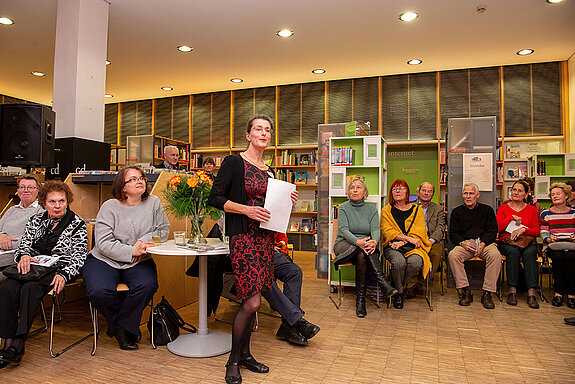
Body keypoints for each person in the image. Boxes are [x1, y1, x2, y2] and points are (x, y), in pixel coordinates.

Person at [208, 115, 298, 384]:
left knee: (254, 301)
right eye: (258, 129)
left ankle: (246, 354)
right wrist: (246, 208)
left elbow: (272, 210)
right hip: (243, 239)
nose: (264, 133)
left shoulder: (270, 171)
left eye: (268, 130)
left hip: (264, 241)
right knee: (253, 301)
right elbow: (216, 198)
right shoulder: (234, 162)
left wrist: (288, 200)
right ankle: (233, 360)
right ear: (248, 135)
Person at [0, 180, 87, 369]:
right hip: (33, 267)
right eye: (52, 202)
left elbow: (79, 258)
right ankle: (7, 342)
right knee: (7, 287)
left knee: (30, 288)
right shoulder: (35, 220)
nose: (57, 206)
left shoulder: (77, 223)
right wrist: (23, 255)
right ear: (44, 203)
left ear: (67, 201)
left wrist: (64, 274)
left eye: (61, 201)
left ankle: (18, 344)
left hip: (58, 269)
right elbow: (23, 247)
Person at [82, 166, 170, 351]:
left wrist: (142, 243)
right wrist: (132, 251)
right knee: (98, 291)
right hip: (103, 259)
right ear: (122, 187)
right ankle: (123, 328)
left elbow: (162, 230)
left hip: (139, 261)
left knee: (147, 285)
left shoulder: (153, 202)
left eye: (141, 178)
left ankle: (121, 327)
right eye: (133, 179)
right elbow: (103, 243)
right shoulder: (109, 206)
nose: (139, 181)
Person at [333, 178, 397, 317]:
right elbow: (344, 230)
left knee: (362, 256)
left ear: (365, 192)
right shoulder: (343, 207)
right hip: (344, 244)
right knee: (362, 251)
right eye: (352, 188)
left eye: (358, 187)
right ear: (348, 192)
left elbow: (375, 229)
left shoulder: (371, 209)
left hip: (365, 247)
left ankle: (360, 301)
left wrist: (374, 241)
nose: (355, 190)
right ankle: (383, 283)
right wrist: (358, 242)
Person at [448, 183, 502, 309]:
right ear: (462, 195)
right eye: (465, 193)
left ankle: (487, 293)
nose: (468, 196)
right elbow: (453, 233)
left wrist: (483, 243)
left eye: (471, 193)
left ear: (477, 195)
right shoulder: (457, 212)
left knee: (495, 255)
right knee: (453, 255)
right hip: (466, 244)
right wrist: (463, 243)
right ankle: (465, 290)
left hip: (484, 243)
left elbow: (492, 231)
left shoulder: (487, 210)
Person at [381, 179, 431, 309]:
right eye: (394, 188)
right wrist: (405, 239)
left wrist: (402, 243)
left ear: (407, 192)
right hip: (392, 247)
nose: (397, 191)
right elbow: (387, 231)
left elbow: (419, 234)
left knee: (416, 263)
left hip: (412, 248)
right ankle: (400, 293)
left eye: (401, 188)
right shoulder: (386, 210)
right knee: (399, 263)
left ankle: (398, 286)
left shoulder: (417, 209)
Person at [263, 232, 320, 345]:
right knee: (266, 278)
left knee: (294, 271)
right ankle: (295, 321)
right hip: (253, 254)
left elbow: (280, 233)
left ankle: (287, 326)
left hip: (272, 252)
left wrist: (281, 243)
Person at [496, 180, 540, 309]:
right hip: (507, 241)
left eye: (520, 191)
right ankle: (512, 291)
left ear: (526, 194)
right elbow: (497, 228)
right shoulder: (503, 208)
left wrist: (523, 229)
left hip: (526, 241)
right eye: (514, 190)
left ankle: (531, 293)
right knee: (513, 253)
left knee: (530, 253)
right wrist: (510, 218)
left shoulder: (531, 210)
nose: (516, 193)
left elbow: (537, 231)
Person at [404, 181, 445, 299]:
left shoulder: (438, 209)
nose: (426, 193)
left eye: (429, 191)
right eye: (424, 190)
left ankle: (419, 286)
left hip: (432, 240)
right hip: (414, 239)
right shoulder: (410, 207)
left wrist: (431, 241)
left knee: (436, 255)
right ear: (418, 192)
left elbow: (440, 228)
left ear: (432, 194)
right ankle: (402, 285)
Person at [540, 182, 575, 309]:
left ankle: (572, 294)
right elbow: (543, 231)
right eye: (553, 194)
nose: (555, 196)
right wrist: (549, 239)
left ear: (566, 196)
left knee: (571, 258)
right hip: (554, 245)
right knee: (558, 258)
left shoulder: (573, 213)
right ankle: (558, 293)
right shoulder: (545, 213)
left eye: (558, 194)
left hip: (571, 245)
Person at [0, 174, 44, 271]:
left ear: (38, 190)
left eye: (30, 187)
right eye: (22, 187)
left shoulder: (41, 211)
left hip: (17, 255)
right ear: (18, 190)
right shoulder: (12, 209)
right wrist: (1, 235)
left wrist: (6, 243)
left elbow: (34, 239)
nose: (25, 190)